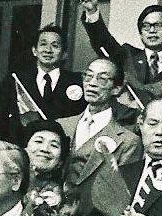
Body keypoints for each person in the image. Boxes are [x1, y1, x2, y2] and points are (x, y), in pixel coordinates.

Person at [58, 58, 143, 187]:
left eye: (102, 79)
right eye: (88, 76)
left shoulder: (128, 142)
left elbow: (121, 190)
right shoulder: (62, 126)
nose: (92, 83)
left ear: (116, 89)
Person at [0, 24, 87, 141]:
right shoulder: (16, 80)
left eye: (55, 45)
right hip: (23, 147)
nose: (48, 50)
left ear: (64, 54)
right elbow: (0, 118)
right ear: (34, 50)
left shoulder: (78, 82)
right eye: (43, 44)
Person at [22, 120, 77, 216]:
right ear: (24, 149)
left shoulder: (67, 194)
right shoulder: (6, 182)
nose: (45, 149)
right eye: (38, 141)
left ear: (60, 161)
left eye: (54, 145)